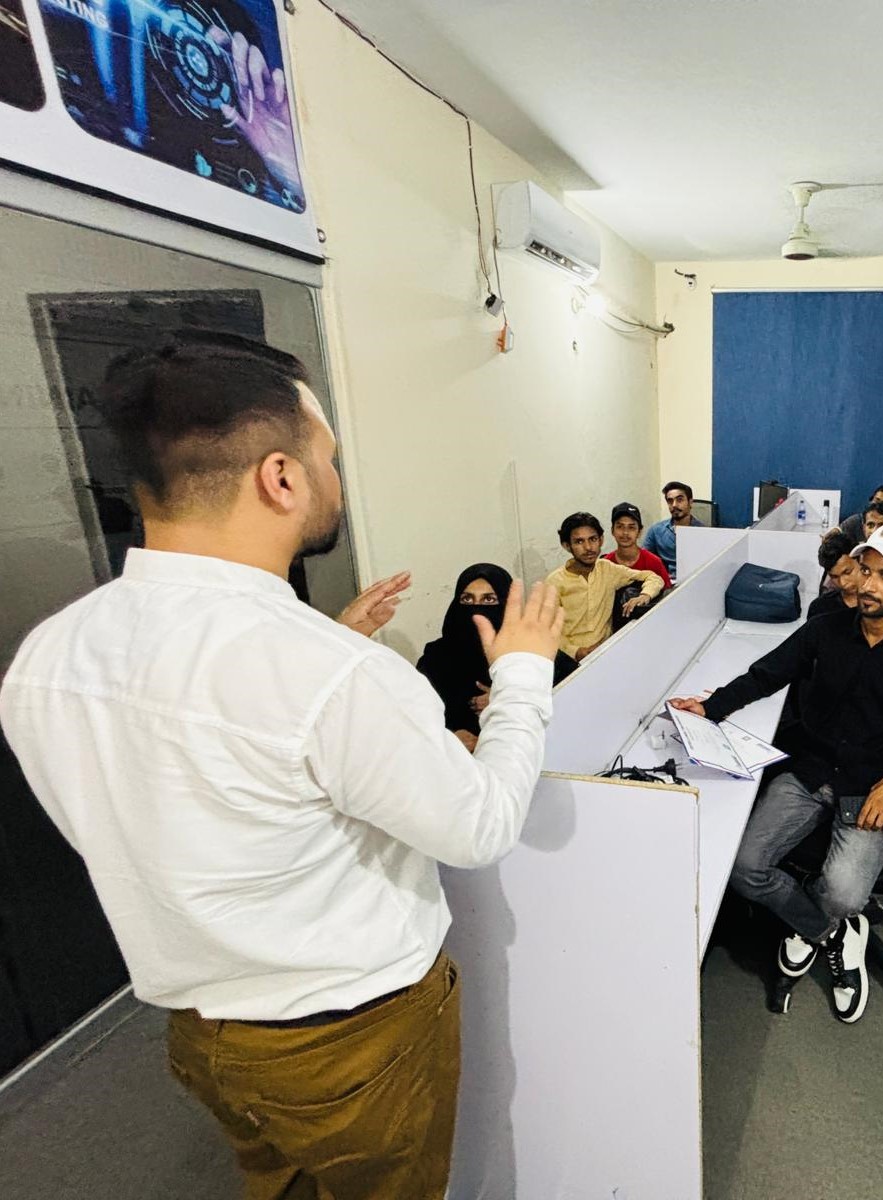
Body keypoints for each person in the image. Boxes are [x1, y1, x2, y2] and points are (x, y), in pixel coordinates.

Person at [0, 331, 565, 1199]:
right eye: (328, 457)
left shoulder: (48, 652)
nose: (335, 477)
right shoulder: (333, 676)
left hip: (202, 1033)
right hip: (351, 1039)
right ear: (281, 477)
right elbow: (479, 826)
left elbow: (188, 775)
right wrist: (524, 674)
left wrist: (334, 657)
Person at [671, 521, 883, 1024]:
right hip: (812, 770)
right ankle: (830, 932)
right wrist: (710, 708)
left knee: (846, 892)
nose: (866, 584)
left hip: (872, 787)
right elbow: (768, 673)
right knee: (742, 866)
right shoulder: (825, 628)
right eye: (865, 570)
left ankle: (823, 922)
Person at [417, 563, 578, 751]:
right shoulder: (436, 658)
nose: (476, 611)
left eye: (489, 600)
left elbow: (576, 692)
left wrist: (508, 698)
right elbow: (414, 720)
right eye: (467, 599)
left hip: (530, 758)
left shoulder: (528, 650)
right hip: (461, 769)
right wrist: (448, 738)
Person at [546, 511, 664, 661]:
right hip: (570, 662)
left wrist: (644, 595)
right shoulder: (554, 582)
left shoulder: (607, 569)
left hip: (608, 653)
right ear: (566, 546)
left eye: (593, 539)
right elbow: (548, 630)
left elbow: (653, 577)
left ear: (601, 540)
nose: (588, 547)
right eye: (579, 542)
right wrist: (576, 651)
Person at [642, 481, 704, 582]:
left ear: (690, 502)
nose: (674, 505)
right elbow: (644, 559)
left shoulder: (702, 532)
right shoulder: (656, 531)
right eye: (670, 501)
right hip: (666, 583)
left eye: (679, 500)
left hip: (693, 582)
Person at [602, 501, 672, 589]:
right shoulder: (605, 564)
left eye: (631, 527)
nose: (625, 533)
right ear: (612, 530)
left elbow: (668, 596)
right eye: (620, 527)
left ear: (639, 532)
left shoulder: (654, 562)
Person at [806, 531, 860, 619]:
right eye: (834, 577)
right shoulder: (820, 609)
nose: (843, 583)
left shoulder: (882, 605)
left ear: (861, 561)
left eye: (847, 572)